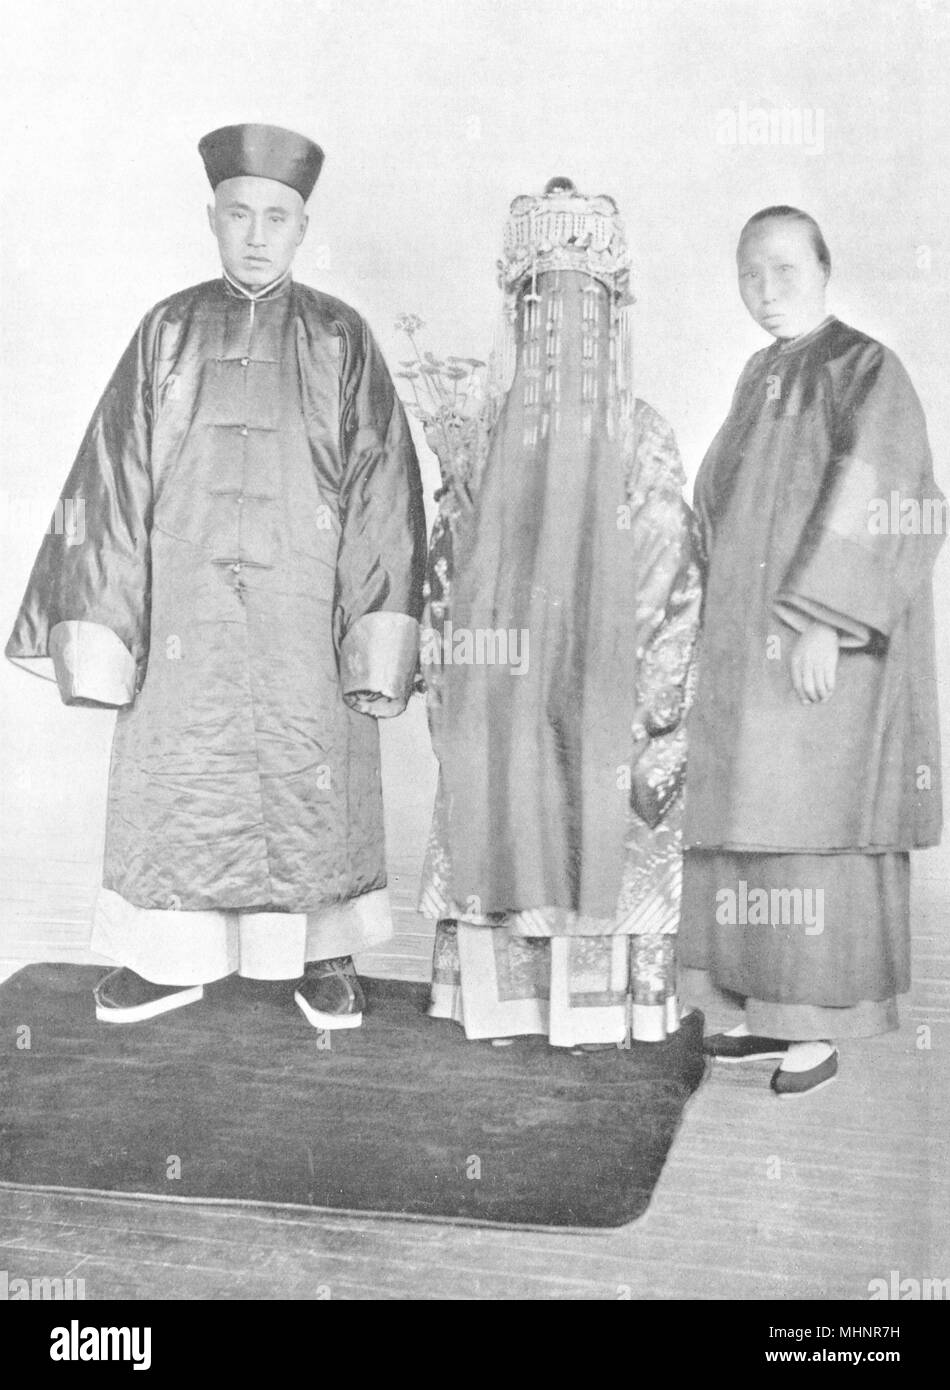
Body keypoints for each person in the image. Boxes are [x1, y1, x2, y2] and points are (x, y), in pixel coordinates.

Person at [6, 124, 426, 1029]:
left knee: (309, 775)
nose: (258, 234)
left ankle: (323, 955)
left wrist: (374, 637)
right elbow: (112, 481)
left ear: (304, 225)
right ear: (212, 218)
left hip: (304, 618)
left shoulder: (339, 338)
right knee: (182, 779)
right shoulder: (166, 331)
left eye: (277, 217)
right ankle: (168, 960)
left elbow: (383, 488)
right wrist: (103, 635)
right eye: (239, 214)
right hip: (183, 613)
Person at [417, 178, 701, 1049]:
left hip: (608, 677)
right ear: (517, 316)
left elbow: (672, 563)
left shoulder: (641, 430)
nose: (562, 329)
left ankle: (611, 1011)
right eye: (541, 308)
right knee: (505, 787)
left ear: (611, 320)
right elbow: (451, 568)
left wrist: (638, 692)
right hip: (504, 685)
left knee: (598, 791)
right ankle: (501, 1005)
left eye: (585, 309)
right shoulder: (487, 430)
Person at [680, 206, 944, 1096]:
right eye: (750, 272)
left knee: (812, 831)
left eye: (784, 270)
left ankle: (818, 1030)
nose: (765, 290)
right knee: (749, 823)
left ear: (825, 268)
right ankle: (766, 1012)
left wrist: (828, 619)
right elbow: (718, 503)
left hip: (818, 649)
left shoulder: (864, 365)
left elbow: (893, 491)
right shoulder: (759, 373)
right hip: (744, 656)